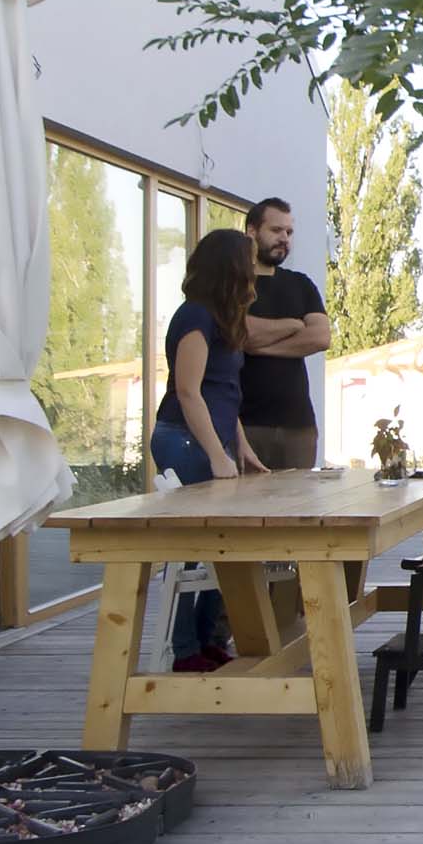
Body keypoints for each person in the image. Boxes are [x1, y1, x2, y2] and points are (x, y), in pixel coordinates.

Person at [149, 227, 266, 670]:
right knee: (192, 548)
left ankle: (204, 639)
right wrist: (216, 455)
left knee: (223, 544)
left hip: (212, 440)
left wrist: (241, 447)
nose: (254, 274)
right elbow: (188, 390)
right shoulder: (194, 317)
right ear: (231, 270)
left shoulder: (221, 319)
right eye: (248, 266)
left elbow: (224, 392)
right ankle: (184, 650)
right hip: (184, 439)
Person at [235, 195, 330, 474]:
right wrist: (293, 326)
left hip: (297, 425)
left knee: (298, 502)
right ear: (252, 231)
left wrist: (262, 348)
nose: (284, 238)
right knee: (245, 501)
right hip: (245, 423)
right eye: (276, 230)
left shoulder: (300, 284)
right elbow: (242, 333)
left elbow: (320, 337)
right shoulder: (235, 285)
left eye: (289, 232)